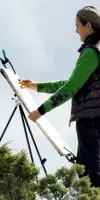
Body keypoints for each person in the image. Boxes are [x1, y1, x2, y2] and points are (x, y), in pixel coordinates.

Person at [19, 6, 100, 187]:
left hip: (92, 123)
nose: (76, 30)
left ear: (88, 25)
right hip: (94, 122)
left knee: (91, 177)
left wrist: (41, 110)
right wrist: (37, 86)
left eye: (77, 25)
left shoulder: (91, 52)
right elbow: (75, 82)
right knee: (86, 173)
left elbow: (71, 87)